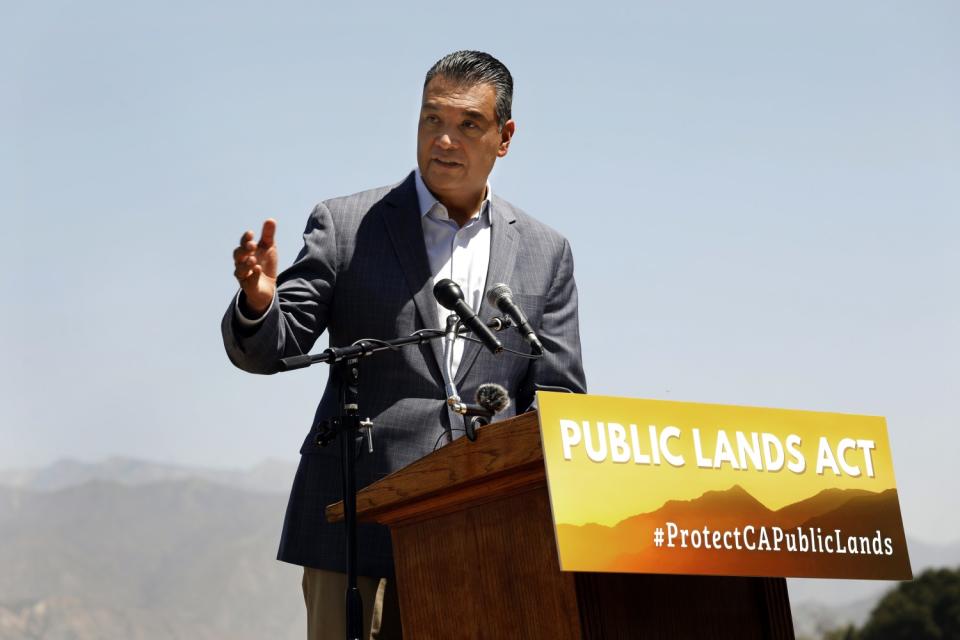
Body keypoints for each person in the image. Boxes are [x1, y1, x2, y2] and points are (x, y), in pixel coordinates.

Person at [221, 50, 586, 640]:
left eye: (468, 124)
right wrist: (260, 304)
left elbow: (560, 398)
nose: (444, 140)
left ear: (505, 137)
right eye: (431, 120)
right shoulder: (346, 225)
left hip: (484, 537)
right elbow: (272, 349)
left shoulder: (546, 252)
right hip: (357, 529)